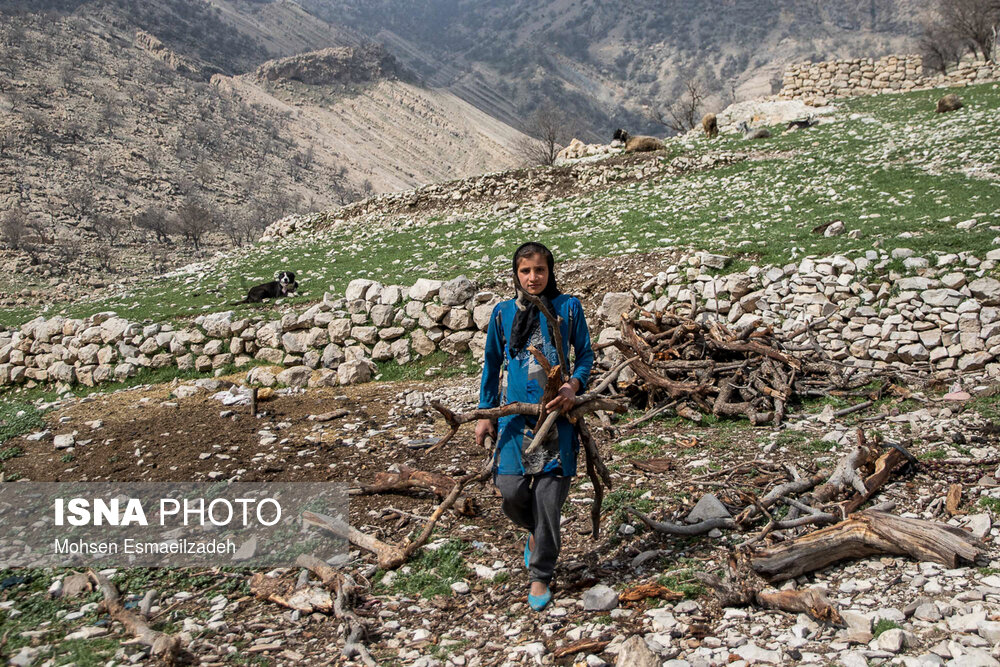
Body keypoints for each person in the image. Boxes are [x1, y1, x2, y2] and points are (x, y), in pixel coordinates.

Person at [475, 242, 594, 611]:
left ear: (550, 272)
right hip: (514, 417)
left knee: (547, 501)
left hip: (557, 417)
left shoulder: (568, 308)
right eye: (525, 271)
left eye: (539, 270)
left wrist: (573, 386)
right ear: (516, 274)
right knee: (510, 490)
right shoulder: (502, 313)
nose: (532, 278)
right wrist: (484, 412)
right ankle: (536, 535)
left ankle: (541, 575)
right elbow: (492, 364)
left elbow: (586, 355)